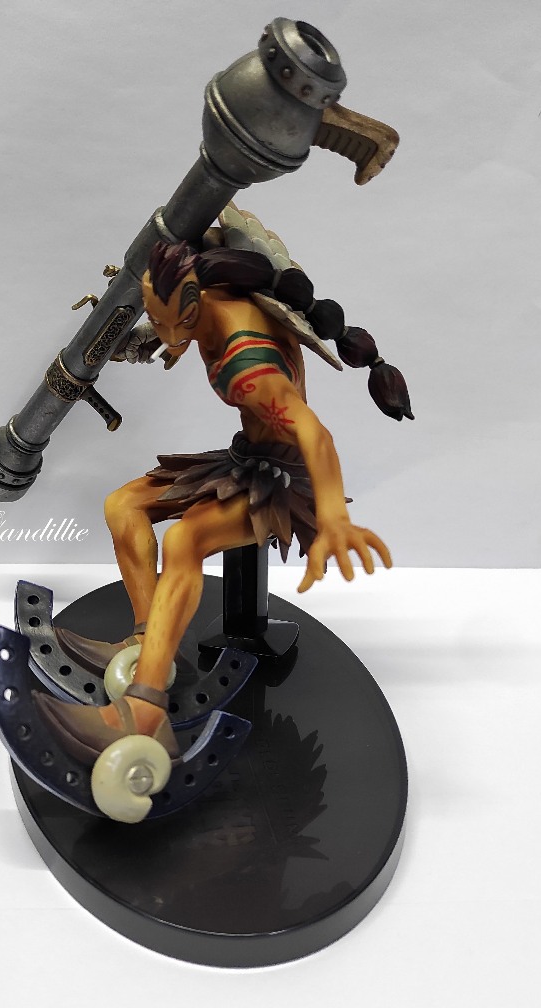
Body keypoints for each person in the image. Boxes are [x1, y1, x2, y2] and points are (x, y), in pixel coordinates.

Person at [37, 214, 410, 764]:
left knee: (184, 541)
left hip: (282, 481)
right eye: (153, 318)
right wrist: (121, 340)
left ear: (190, 307)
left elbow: (315, 433)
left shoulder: (247, 369)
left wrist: (334, 518)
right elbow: (168, 328)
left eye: (166, 323)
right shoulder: (212, 289)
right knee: (123, 505)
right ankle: (149, 642)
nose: (163, 335)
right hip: (244, 458)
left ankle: (145, 710)